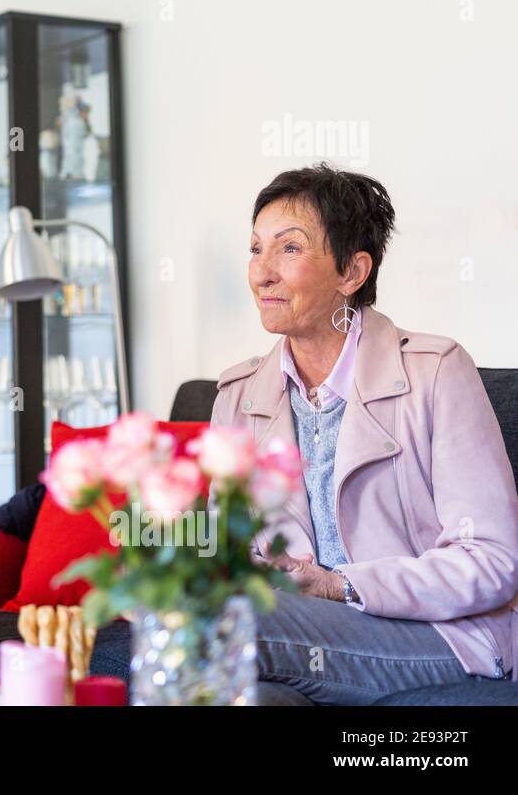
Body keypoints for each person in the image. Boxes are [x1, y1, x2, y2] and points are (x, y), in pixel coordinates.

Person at [214, 163, 518, 704]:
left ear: (351, 273)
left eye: (288, 249)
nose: (261, 273)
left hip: (436, 637)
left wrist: (338, 584)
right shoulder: (238, 397)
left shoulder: (437, 371)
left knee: (223, 625)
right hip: (301, 637)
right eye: (255, 248)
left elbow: (492, 560)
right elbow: (225, 552)